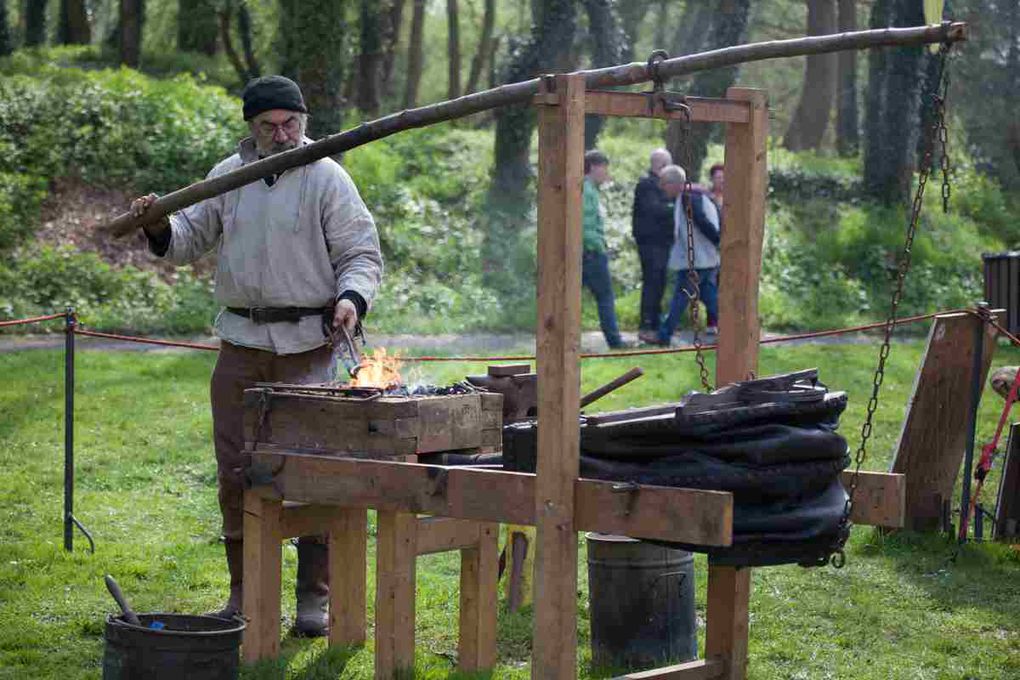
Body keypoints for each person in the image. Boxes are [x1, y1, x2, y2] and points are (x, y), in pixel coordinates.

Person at [129, 75, 383, 637]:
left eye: (290, 123)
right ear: (252, 127)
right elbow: (187, 237)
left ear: (305, 121)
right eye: (269, 125)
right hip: (241, 347)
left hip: (308, 350)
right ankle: (243, 592)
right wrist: (156, 225)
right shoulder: (228, 176)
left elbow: (360, 252)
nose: (282, 134)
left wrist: (350, 298)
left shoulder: (327, 178)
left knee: (313, 473)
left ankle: (313, 599)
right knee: (236, 473)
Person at [657, 165, 720, 345]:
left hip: (697, 260)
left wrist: (718, 240)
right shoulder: (693, 195)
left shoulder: (688, 197)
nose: (662, 188)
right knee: (710, 297)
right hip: (705, 259)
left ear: (674, 183)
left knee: (680, 297)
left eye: (664, 184)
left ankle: (664, 335)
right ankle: (734, 328)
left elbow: (702, 221)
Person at [582, 149, 627, 349]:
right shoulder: (587, 190)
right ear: (593, 167)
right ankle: (615, 342)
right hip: (591, 254)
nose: (606, 173)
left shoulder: (586, 189)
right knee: (605, 297)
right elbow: (585, 225)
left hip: (585, 253)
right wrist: (599, 247)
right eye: (604, 168)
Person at [631, 148, 676, 345]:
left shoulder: (655, 185)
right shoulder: (647, 185)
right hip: (651, 243)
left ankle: (655, 324)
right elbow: (655, 209)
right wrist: (674, 203)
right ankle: (647, 325)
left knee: (659, 283)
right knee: (652, 283)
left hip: (661, 243)